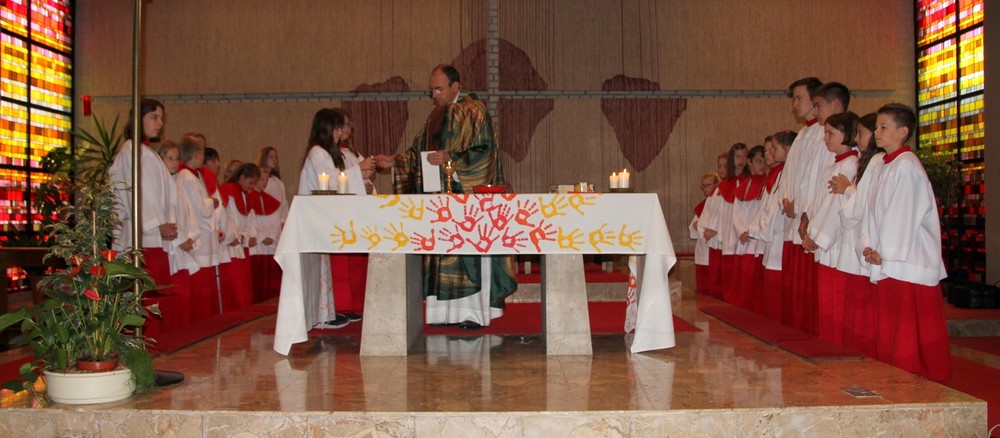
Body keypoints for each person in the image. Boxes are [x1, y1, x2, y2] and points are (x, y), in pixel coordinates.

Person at [388, 64, 518, 330]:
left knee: (468, 254)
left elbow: (485, 152)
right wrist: (394, 161)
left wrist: (452, 158)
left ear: (455, 86)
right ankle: (442, 314)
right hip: (441, 200)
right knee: (443, 251)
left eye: (439, 89)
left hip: (469, 199)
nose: (434, 95)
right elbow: (418, 152)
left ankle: (473, 314)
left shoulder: (475, 111)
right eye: (431, 90)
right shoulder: (435, 117)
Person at [860, 103, 950, 381]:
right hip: (887, 256)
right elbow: (871, 210)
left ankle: (917, 372)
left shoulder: (907, 165)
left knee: (910, 322)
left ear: (903, 131)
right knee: (893, 321)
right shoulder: (882, 164)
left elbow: (904, 214)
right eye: (876, 126)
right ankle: (895, 370)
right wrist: (868, 244)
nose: (877, 132)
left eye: (883, 127)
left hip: (908, 259)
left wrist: (885, 251)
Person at [107, 98, 176, 338]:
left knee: (155, 296)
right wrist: (158, 222)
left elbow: (163, 191)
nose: (160, 123)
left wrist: (168, 219)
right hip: (141, 237)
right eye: (154, 117)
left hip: (152, 236)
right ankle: (142, 343)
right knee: (144, 295)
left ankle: (155, 341)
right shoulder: (131, 151)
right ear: (138, 119)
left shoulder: (146, 152)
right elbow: (139, 191)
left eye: (161, 118)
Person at [828, 113, 883, 357]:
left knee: (862, 305)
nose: (857, 139)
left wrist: (848, 190)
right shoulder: (867, 161)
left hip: (863, 237)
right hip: (858, 238)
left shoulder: (876, 161)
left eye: (861, 133)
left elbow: (862, 205)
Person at [804, 112, 860, 345]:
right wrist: (810, 229)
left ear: (846, 134)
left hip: (836, 242)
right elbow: (820, 203)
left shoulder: (851, 164)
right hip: (824, 239)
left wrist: (816, 236)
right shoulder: (834, 165)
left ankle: (836, 345)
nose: (825, 138)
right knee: (827, 301)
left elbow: (835, 207)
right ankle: (827, 342)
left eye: (830, 133)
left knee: (837, 300)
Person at [776, 77, 825, 333]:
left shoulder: (823, 134)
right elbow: (788, 174)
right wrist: (785, 198)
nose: (794, 104)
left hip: (807, 217)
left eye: (798, 98)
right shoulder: (803, 134)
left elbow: (816, 178)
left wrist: (801, 205)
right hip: (792, 214)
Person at [746, 130, 795, 321]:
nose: (769, 153)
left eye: (773, 148)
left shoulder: (784, 173)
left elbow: (775, 208)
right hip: (768, 234)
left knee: (776, 290)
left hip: (778, 235)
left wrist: (759, 229)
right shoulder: (774, 175)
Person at [177, 134, 222, 322]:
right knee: (199, 286)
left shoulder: (194, 175)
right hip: (198, 238)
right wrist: (212, 201)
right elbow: (198, 209)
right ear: (196, 154)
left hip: (204, 235)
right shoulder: (186, 176)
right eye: (202, 152)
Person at [153, 140, 195, 329]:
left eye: (177, 158)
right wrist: (181, 239)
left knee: (182, 296)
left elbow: (188, 215)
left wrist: (191, 236)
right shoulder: (159, 184)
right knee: (171, 295)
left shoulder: (176, 184)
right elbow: (164, 218)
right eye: (169, 158)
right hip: (169, 245)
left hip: (180, 245)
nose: (174, 162)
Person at [218, 163, 260, 311]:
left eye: (254, 183)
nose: (252, 187)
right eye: (250, 182)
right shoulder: (228, 191)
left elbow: (250, 217)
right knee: (234, 283)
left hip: (241, 244)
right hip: (231, 245)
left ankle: (244, 309)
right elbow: (227, 216)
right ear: (241, 177)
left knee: (243, 282)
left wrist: (250, 235)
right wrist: (234, 235)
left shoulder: (245, 195)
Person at [689, 172, 720, 295]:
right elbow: (693, 228)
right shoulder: (705, 203)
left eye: (708, 185)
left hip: (712, 249)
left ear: (717, 184)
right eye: (704, 186)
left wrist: (700, 227)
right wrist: (700, 228)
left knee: (713, 289)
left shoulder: (719, 200)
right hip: (701, 249)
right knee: (702, 290)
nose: (706, 189)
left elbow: (712, 227)